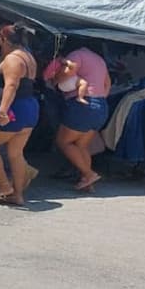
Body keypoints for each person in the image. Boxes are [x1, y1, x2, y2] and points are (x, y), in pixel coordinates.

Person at [0, 22, 40, 207]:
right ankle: (18, 195)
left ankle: (4, 186)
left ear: (4, 39)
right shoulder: (29, 56)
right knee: (15, 153)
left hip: (13, 108)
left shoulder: (13, 59)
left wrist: (3, 111)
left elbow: (11, 85)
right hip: (29, 107)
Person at [50, 42, 111, 191]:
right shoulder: (99, 59)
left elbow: (68, 72)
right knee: (81, 145)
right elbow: (107, 83)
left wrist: (54, 79)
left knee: (64, 142)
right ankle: (87, 183)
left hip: (82, 104)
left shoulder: (76, 55)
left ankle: (89, 174)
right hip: (101, 105)